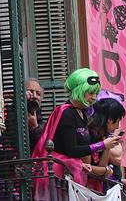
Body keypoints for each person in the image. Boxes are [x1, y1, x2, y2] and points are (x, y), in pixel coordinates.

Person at [33, 68, 121, 196]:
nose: (94, 98)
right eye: (90, 93)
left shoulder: (82, 114)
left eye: (95, 93)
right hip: (58, 177)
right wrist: (102, 145)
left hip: (71, 176)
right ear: (79, 90)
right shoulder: (67, 113)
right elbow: (71, 149)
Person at [27, 78, 46, 150]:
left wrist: (35, 128)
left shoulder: (44, 125)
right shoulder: (9, 114)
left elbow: (45, 150)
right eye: (30, 92)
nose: (34, 96)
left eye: (38, 93)